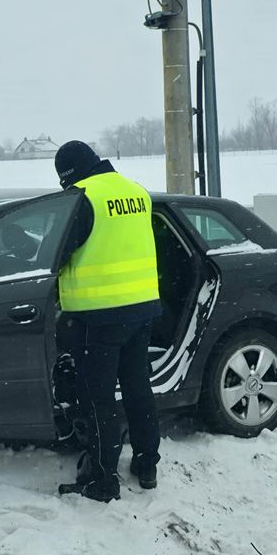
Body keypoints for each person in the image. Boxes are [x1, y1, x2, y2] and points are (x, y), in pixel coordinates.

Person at [53, 140, 162, 503]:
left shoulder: (83, 198)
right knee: (137, 389)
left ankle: (102, 480)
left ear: (69, 174)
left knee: (98, 399)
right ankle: (147, 464)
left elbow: (58, 253)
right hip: (142, 308)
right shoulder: (136, 191)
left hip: (98, 316)